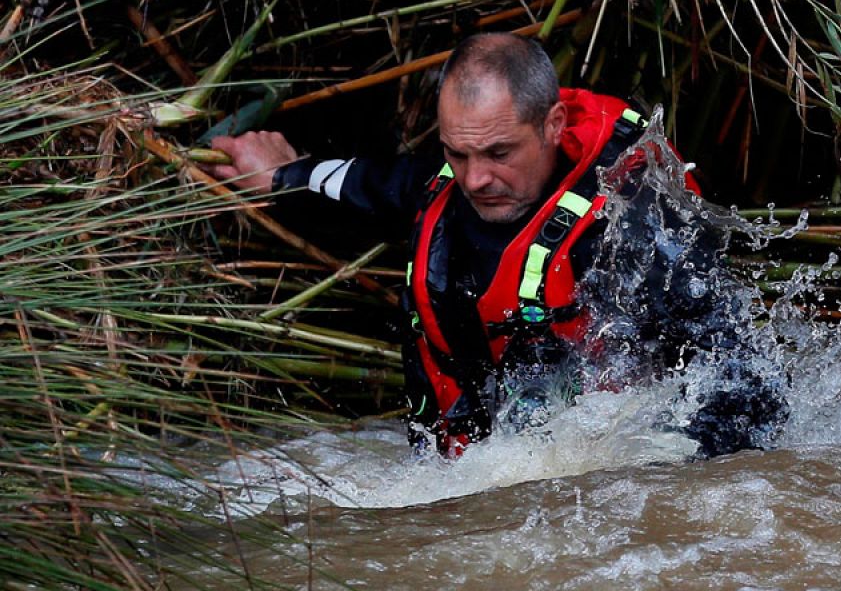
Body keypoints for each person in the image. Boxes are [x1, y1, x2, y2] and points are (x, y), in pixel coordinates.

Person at [210, 32, 785, 457]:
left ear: (553, 124)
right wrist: (283, 175)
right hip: (463, 480)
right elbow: (374, 185)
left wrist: (660, 477)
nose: (475, 178)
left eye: (498, 153)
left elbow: (749, 389)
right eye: (457, 154)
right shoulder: (447, 183)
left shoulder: (633, 229)